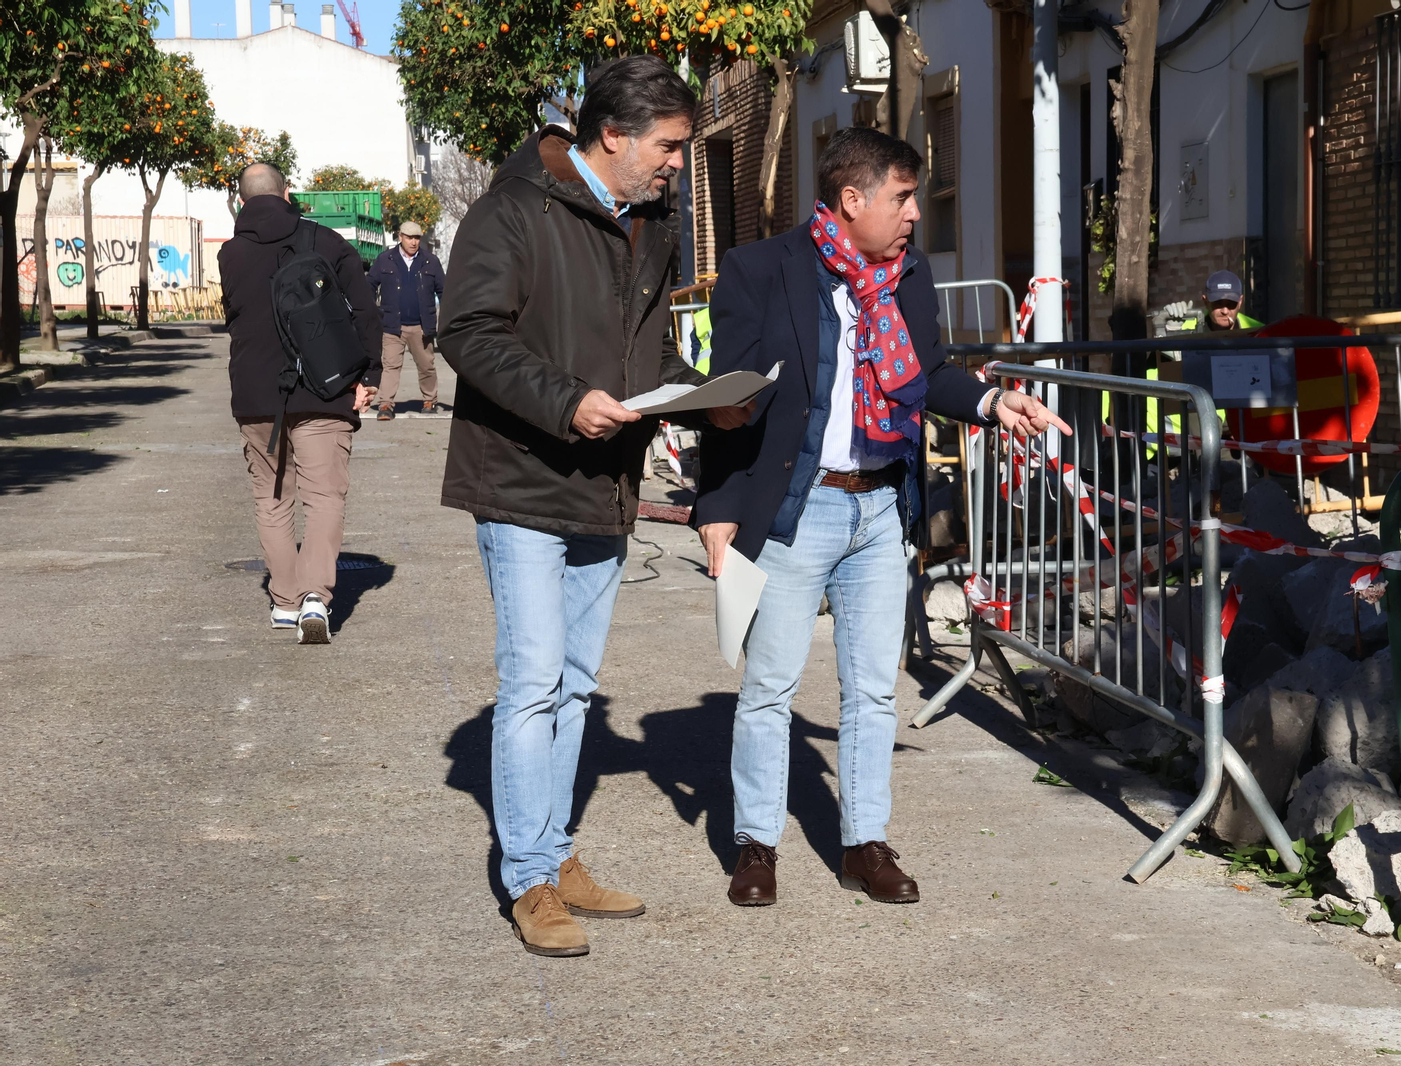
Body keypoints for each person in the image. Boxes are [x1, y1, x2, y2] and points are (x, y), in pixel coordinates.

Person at [692, 127, 1069, 908]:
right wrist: (719, 507)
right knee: (769, 686)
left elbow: (926, 373)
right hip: (797, 509)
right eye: (902, 198)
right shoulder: (760, 270)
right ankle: (755, 845)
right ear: (851, 198)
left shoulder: (909, 275)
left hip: (879, 510)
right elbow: (727, 400)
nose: (913, 217)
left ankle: (864, 842)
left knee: (871, 690)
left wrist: (996, 402)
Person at [437, 56, 748, 959]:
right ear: (612, 136)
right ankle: (529, 880)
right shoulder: (511, 209)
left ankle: (554, 855)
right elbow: (468, 332)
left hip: (605, 487)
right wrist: (564, 399)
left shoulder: (648, 225)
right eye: (668, 147)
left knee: (574, 687)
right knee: (533, 683)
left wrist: (700, 394)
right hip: (521, 481)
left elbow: (641, 359)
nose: (676, 166)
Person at [218, 162, 381, 644]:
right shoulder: (329, 244)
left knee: (272, 500)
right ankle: (316, 595)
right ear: (287, 194)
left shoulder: (230, 254)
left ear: (242, 202)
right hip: (325, 392)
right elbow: (366, 312)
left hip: (255, 398)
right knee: (324, 497)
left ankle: (286, 601)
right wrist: (368, 376)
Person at [368, 220, 446, 419]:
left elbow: (444, 291)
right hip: (393, 325)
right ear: (400, 236)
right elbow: (369, 285)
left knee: (426, 365)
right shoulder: (385, 260)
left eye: (417, 238)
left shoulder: (431, 261)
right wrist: (371, 312)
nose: (413, 242)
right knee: (390, 365)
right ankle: (385, 405)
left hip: (421, 326)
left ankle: (430, 400)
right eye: (409, 237)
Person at [1162, 269, 1264, 334]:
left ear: (1240, 301)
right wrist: (1171, 332)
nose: (1225, 311)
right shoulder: (1186, 329)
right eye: (1218, 303)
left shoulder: (1259, 332)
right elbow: (1161, 367)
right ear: (1206, 302)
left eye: (1231, 304)